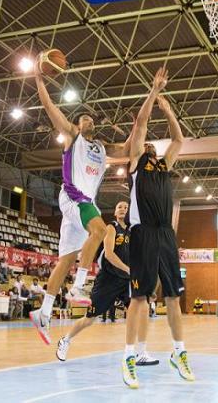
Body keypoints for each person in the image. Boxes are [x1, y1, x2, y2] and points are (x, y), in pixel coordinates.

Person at [29, 56, 136, 345]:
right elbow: (51, 109)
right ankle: (78, 287)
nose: (87, 118)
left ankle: (44, 311)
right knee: (101, 230)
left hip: (80, 207)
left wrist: (141, 119)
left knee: (64, 260)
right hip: (74, 197)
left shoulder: (101, 148)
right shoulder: (72, 137)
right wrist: (39, 79)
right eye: (82, 117)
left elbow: (128, 148)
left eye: (90, 117)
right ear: (77, 124)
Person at [122, 69, 194, 389]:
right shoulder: (136, 162)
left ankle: (179, 353)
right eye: (147, 143)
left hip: (166, 233)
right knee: (140, 298)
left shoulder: (164, 165)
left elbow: (179, 139)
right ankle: (129, 357)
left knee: (174, 296)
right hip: (144, 233)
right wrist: (154, 93)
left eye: (153, 143)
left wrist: (170, 112)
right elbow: (140, 124)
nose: (150, 144)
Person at [57, 201, 158, 367]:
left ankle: (140, 352)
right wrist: (129, 270)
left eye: (126, 207)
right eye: (119, 207)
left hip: (126, 281)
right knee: (89, 318)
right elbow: (109, 255)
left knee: (141, 310)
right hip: (108, 279)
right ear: (115, 212)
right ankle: (66, 340)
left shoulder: (133, 232)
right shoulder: (111, 227)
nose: (123, 210)